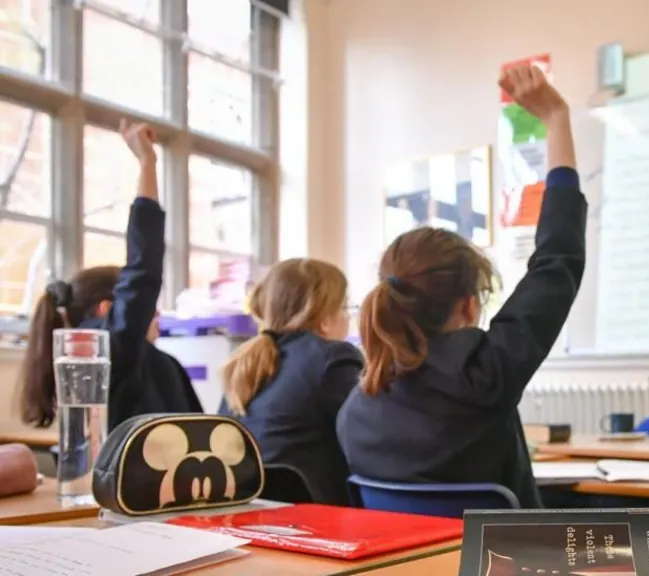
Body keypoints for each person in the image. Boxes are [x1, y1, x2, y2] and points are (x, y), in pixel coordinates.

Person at [337, 64, 586, 509]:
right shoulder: (486, 375)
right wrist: (556, 119)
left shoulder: (355, 409)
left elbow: (556, 262)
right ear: (469, 307)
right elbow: (558, 259)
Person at [17, 121, 202, 431]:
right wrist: (147, 163)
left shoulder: (153, 362)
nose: (155, 313)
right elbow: (143, 271)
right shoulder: (106, 350)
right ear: (106, 309)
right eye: (148, 307)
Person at [220, 258, 362, 505]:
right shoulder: (333, 357)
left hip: (250, 511)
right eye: (345, 307)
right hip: (318, 517)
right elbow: (364, 439)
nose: (348, 318)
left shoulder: (243, 364)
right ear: (325, 319)